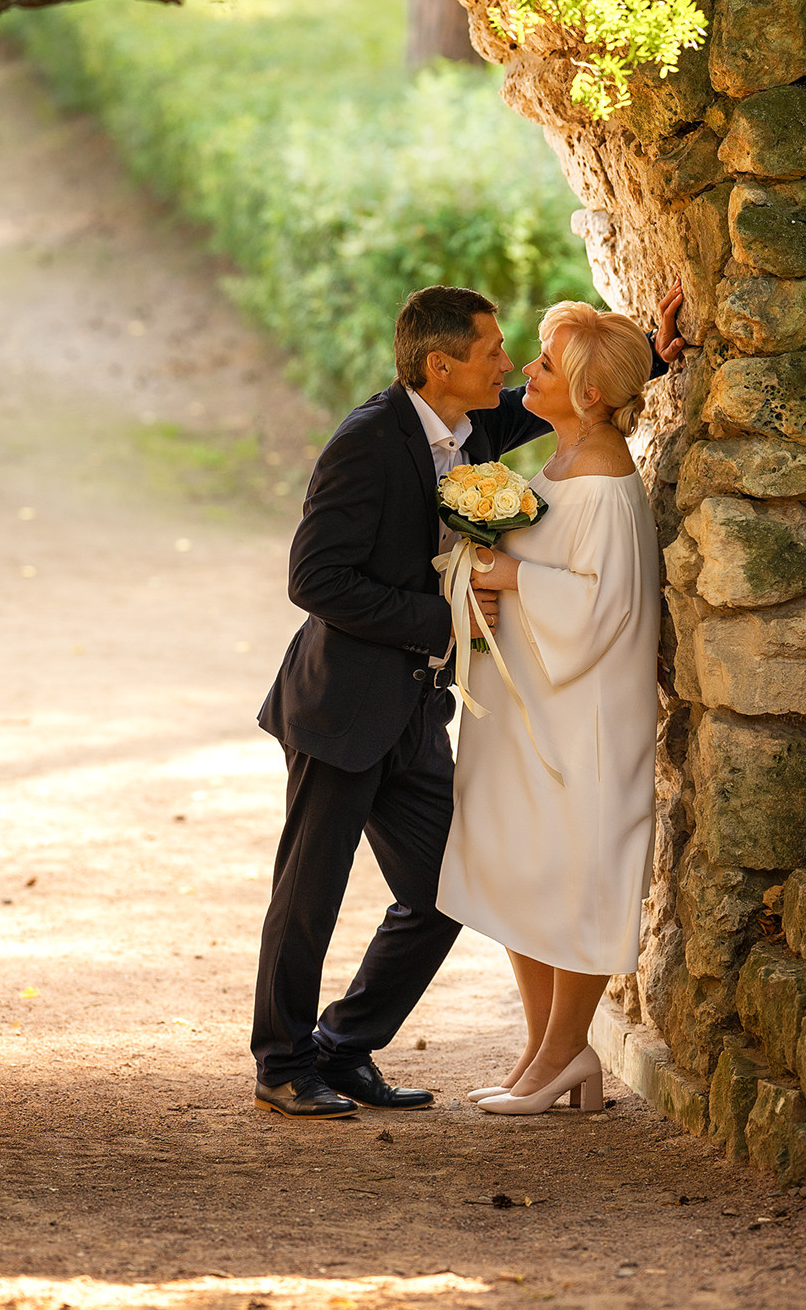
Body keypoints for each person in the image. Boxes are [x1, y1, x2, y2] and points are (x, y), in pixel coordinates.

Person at [250, 281, 684, 1120]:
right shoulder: (367, 442)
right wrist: (443, 615)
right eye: (492, 352)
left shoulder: (474, 423)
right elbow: (315, 579)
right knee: (309, 891)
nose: (509, 366)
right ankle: (281, 1061)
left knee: (444, 890)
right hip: (341, 709)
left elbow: (574, 404)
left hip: (417, 712)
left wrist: (655, 357)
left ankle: (344, 1047)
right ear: (440, 364)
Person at [438, 300, 663, 1117]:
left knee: (575, 874)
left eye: (542, 366)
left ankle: (569, 1053)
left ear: (591, 396)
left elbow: (606, 610)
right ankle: (541, 1051)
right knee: (527, 870)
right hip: (533, 704)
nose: (524, 374)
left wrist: (506, 578)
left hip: (583, 715)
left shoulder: (605, 486)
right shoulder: (566, 457)